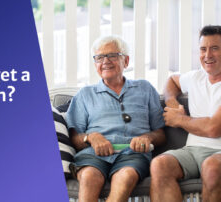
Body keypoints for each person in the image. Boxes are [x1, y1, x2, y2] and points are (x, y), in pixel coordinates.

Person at [66, 35, 165, 202]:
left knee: (125, 176)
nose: (105, 61)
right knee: (89, 176)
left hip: (133, 153)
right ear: (95, 64)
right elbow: (74, 138)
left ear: (126, 61)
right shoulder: (85, 95)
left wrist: (147, 137)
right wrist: (90, 137)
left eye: (112, 55)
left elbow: (161, 134)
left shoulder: (145, 88)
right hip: (93, 153)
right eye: (99, 57)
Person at [150, 25, 221, 202]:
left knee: (212, 168)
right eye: (203, 49)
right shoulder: (197, 77)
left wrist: (179, 119)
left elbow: (213, 128)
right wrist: (172, 103)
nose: (207, 55)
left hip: (218, 153)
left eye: (215, 48)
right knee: (160, 164)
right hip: (191, 150)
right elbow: (171, 81)